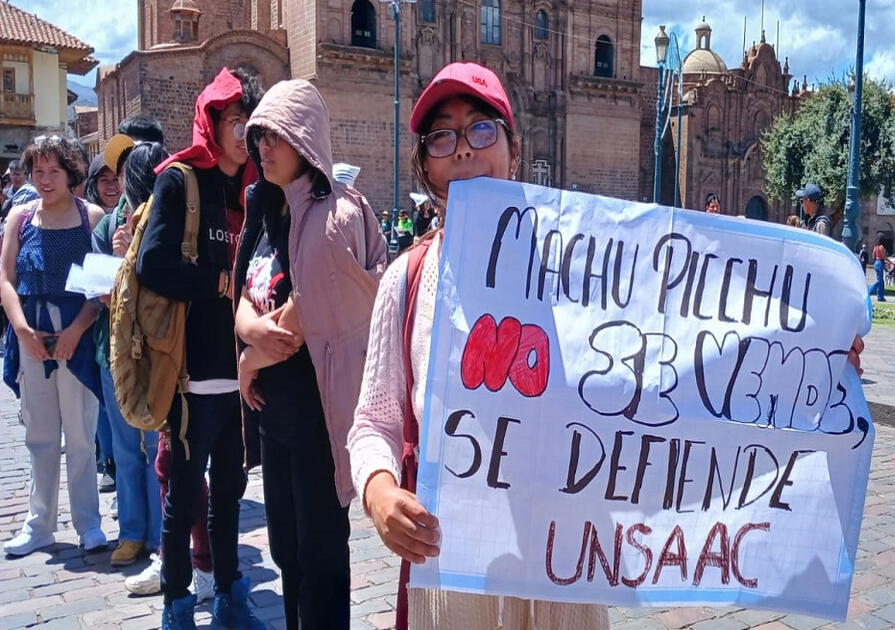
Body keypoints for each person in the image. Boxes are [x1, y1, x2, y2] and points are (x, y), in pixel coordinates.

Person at [346, 61, 609, 630]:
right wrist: (380, 490)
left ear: (514, 148)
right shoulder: (408, 278)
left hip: (564, 565)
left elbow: (674, 378)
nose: (463, 148)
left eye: (481, 128)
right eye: (442, 135)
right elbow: (374, 419)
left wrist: (807, 367)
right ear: (425, 165)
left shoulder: (585, 272)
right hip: (452, 567)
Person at [235, 79, 388, 630]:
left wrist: (249, 359)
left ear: (304, 136)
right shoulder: (270, 209)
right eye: (259, 138)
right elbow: (246, 296)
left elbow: (303, 314)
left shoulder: (335, 213)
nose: (264, 148)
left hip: (319, 418)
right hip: (277, 416)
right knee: (288, 554)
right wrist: (247, 333)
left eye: (275, 136)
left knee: (320, 558)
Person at [135, 67, 266, 629]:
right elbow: (152, 265)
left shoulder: (260, 188)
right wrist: (219, 282)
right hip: (188, 371)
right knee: (184, 494)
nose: (243, 133)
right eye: (235, 120)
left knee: (231, 496)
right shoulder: (179, 179)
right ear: (212, 121)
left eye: (249, 123)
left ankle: (232, 596)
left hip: (243, 372)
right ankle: (177, 605)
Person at [0, 135, 107, 556]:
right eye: (37, 171)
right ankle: (38, 523)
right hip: (31, 331)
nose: (45, 180)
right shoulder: (20, 219)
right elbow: (6, 279)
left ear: (70, 173)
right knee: (40, 434)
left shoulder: (91, 217)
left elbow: (101, 287)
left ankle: (88, 523)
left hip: (76, 333)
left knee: (81, 433)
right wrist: (23, 330)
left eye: (54, 171)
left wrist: (76, 331)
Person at [94, 140, 173, 569]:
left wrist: (130, 260)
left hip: (157, 351)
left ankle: (163, 534)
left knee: (155, 445)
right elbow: (95, 286)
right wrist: (113, 262)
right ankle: (132, 532)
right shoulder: (108, 226)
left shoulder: (167, 222)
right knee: (125, 448)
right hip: (117, 351)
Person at [82, 154, 121, 496]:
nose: (111, 186)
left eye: (116, 178)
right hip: (95, 329)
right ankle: (108, 464)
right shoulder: (93, 223)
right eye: (103, 180)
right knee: (104, 407)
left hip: (118, 328)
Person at [866, 232, 889, 302]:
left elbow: (873, 256)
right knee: (880, 281)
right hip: (880, 262)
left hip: (876, 262)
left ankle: (880, 296)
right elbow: (884, 257)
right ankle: (870, 291)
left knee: (881, 280)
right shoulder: (881, 247)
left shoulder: (875, 247)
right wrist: (890, 262)